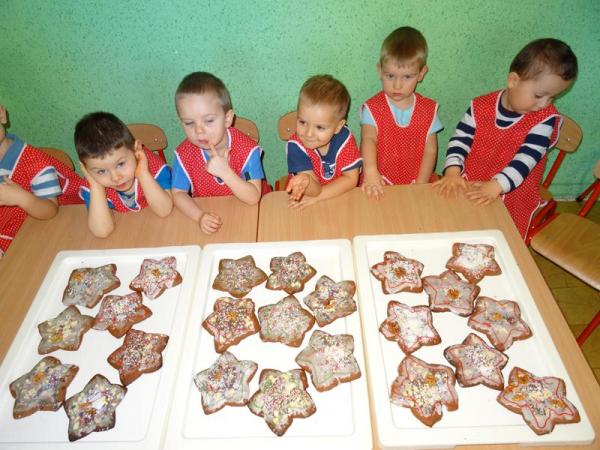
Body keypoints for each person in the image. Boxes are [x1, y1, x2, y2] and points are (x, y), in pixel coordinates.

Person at [434, 38, 578, 240]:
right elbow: (460, 139)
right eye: (539, 95)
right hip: (473, 178)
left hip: (513, 191)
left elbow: (525, 160)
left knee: (503, 236)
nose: (544, 104)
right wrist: (452, 170)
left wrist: (497, 185)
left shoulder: (544, 120)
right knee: (458, 221)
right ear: (513, 81)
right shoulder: (480, 106)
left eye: (552, 97)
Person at [172, 72, 266, 234]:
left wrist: (225, 172)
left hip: (248, 216)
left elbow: (253, 197)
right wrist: (199, 216)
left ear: (228, 118)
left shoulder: (247, 149)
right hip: (208, 216)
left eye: (209, 120)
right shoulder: (183, 155)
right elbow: (178, 194)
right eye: (189, 123)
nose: (199, 130)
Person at [360, 26, 442, 199]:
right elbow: (368, 140)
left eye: (407, 77)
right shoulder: (373, 108)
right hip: (379, 183)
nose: (397, 85)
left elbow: (430, 151)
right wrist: (371, 172)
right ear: (379, 70)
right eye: (390, 76)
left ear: (421, 73)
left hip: (417, 181)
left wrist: (421, 184)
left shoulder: (428, 110)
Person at [0, 104, 83, 258]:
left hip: (45, 231)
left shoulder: (34, 162)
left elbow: (51, 210)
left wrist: (20, 198)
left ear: (1, 115)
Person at [75, 112, 173, 238]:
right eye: (101, 171)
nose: (115, 177)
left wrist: (143, 174)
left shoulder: (154, 167)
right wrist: (96, 187)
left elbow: (164, 210)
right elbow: (102, 231)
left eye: (120, 164)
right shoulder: (93, 183)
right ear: (86, 168)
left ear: (136, 149)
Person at [286, 75, 362, 209]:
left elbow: (351, 179)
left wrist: (319, 198)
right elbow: (314, 191)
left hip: (340, 198)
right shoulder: (296, 145)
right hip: (306, 199)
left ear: (338, 127)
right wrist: (307, 180)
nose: (308, 134)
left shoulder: (345, 139)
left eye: (320, 127)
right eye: (302, 122)